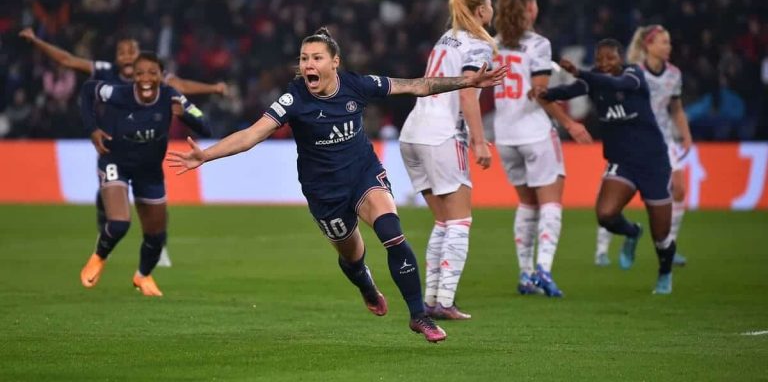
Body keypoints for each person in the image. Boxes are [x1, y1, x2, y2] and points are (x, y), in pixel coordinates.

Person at [167, 27, 507, 342]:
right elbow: (252, 135)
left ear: (334, 62)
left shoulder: (357, 85)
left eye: (316, 58)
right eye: (304, 58)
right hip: (324, 192)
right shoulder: (295, 97)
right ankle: (366, 284)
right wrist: (206, 156)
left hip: (363, 175)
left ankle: (419, 315)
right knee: (352, 257)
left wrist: (468, 82)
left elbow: (418, 85)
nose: (308, 65)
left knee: (392, 233)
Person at [19, 27, 226, 267]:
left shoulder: (157, 79)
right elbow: (68, 61)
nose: (127, 56)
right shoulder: (107, 74)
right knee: (110, 199)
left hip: (147, 157)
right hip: (113, 150)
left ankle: (158, 248)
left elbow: (182, 89)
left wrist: (212, 91)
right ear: (116, 58)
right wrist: (36, 41)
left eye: (132, 51)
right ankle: (104, 236)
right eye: (122, 52)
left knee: (155, 208)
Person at [533, 39, 677, 294]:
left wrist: (580, 72)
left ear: (620, 58)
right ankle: (632, 231)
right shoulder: (594, 79)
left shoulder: (633, 74)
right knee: (605, 215)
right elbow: (566, 91)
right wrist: (545, 93)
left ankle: (665, 273)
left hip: (653, 162)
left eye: (610, 59)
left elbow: (617, 84)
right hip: (622, 162)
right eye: (600, 60)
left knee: (662, 235)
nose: (605, 64)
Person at [398, 0, 495, 320]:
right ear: (481, 10)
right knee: (459, 221)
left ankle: (432, 300)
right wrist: (480, 142)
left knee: (443, 221)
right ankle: (444, 301)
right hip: (442, 133)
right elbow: (468, 93)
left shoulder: (446, 39)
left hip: (412, 132)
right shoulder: (479, 44)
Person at [79, 52, 211, 296]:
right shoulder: (119, 93)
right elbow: (88, 90)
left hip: (149, 172)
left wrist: (185, 114)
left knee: (156, 236)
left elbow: (205, 122)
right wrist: (93, 129)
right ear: (134, 76)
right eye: (140, 73)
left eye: (152, 73)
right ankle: (99, 257)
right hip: (115, 161)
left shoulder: (171, 95)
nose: (146, 78)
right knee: (119, 223)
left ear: (162, 75)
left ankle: (143, 276)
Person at [492, 0, 593, 297]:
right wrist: (568, 122)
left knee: (526, 204)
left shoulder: (494, 44)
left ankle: (525, 275)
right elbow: (539, 93)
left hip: (505, 135)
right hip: (534, 132)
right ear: (529, 8)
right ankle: (544, 271)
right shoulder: (538, 45)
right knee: (550, 203)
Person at [594, 25, 693, 267]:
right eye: (663, 42)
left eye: (668, 42)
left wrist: (686, 135)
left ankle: (668, 243)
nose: (668, 46)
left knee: (679, 189)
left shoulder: (674, 74)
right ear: (648, 45)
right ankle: (602, 249)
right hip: (634, 140)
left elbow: (676, 108)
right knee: (614, 199)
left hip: (663, 140)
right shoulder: (633, 73)